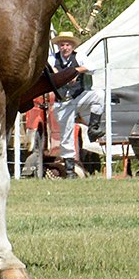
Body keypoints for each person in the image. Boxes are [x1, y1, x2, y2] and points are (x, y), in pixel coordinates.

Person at [50, 31, 93, 178]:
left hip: (77, 97)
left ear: (72, 46)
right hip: (62, 100)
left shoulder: (78, 56)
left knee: (99, 97)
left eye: (68, 45)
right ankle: (69, 170)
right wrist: (59, 75)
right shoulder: (53, 59)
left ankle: (94, 126)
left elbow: (92, 66)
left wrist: (75, 71)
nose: (65, 48)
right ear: (59, 46)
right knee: (66, 134)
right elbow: (47, 68)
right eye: (62, 45)